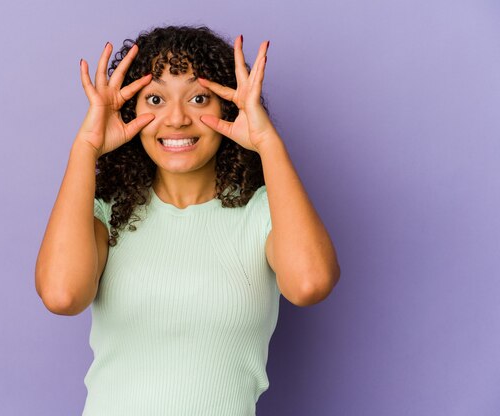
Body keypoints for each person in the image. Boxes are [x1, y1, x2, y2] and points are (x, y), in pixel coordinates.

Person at [35, 25, 340, 416]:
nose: (176, 118)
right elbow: (62, 296)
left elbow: (310, 284)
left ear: (228, 108)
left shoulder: (264, 213)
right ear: (129, 112)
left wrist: (268, 143)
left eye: (199, 98)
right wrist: (86, 146)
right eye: (156, 99)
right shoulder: (105, 214)